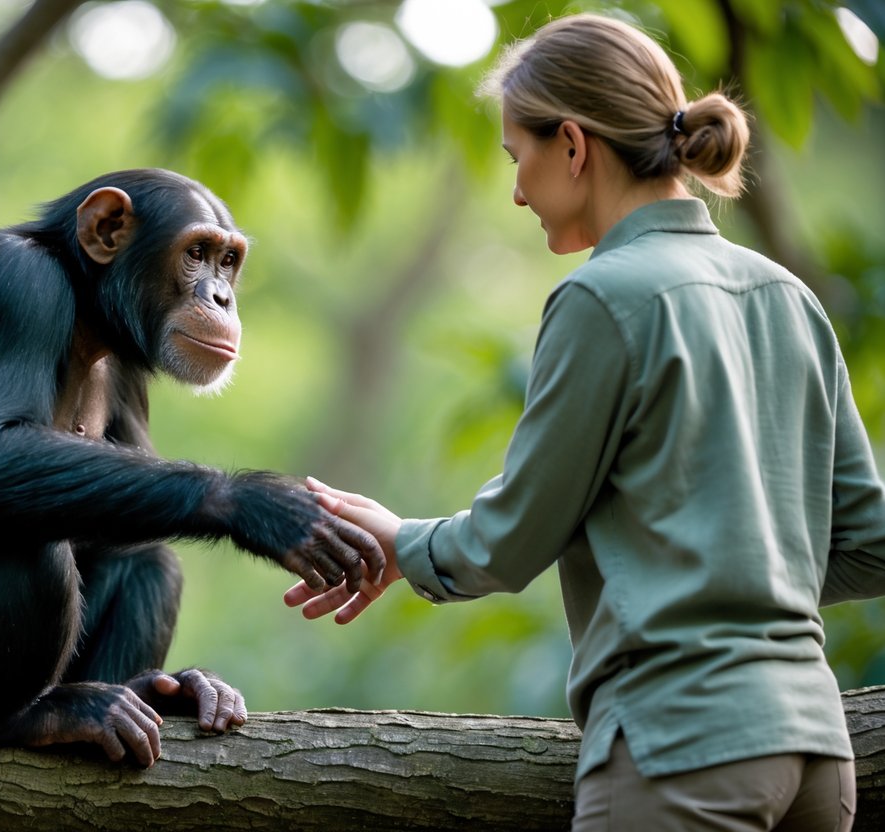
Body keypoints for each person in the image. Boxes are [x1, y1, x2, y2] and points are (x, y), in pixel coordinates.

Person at [284, 12, 885, 831]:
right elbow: (869, 543)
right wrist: (726, 564)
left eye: (517, 157)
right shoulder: (789, 297)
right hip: (818, 758)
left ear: (571, 144)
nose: (518, 190)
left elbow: (511, 538)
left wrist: (401, 543)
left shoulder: (602, 298)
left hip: (680, 745)